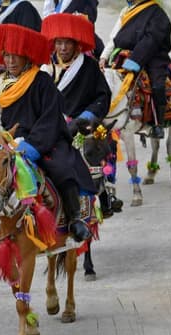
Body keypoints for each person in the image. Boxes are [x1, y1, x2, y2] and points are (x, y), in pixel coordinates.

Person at [0, 24, 96, 242]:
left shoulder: (41, 81)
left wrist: (29, 146)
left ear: (27, 57)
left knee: (63, 168)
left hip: (44, 140)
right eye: (7, 56)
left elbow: (50, 119)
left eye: (16, 56)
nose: (11, 62)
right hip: (7, 144)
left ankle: (74, 220)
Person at [42, 13, 117, 216]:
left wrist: (85, 117)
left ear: (76, 45)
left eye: (67, 43)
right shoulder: (45, 68)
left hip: (82, 125)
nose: (63, 48)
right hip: (51, 126)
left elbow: (102, 97)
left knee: (93, 149)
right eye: (59, 43)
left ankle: (103, 195)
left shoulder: (89, 67)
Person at [99, 0, 171, 139]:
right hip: (124, 54)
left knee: (157, 85)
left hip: (153, 56)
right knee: (107, 79)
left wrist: (135, 60)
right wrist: (104, 56)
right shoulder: (126, 11)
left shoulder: (158, 14)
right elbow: (114, 38)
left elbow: (151, 40)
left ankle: (157, 124)